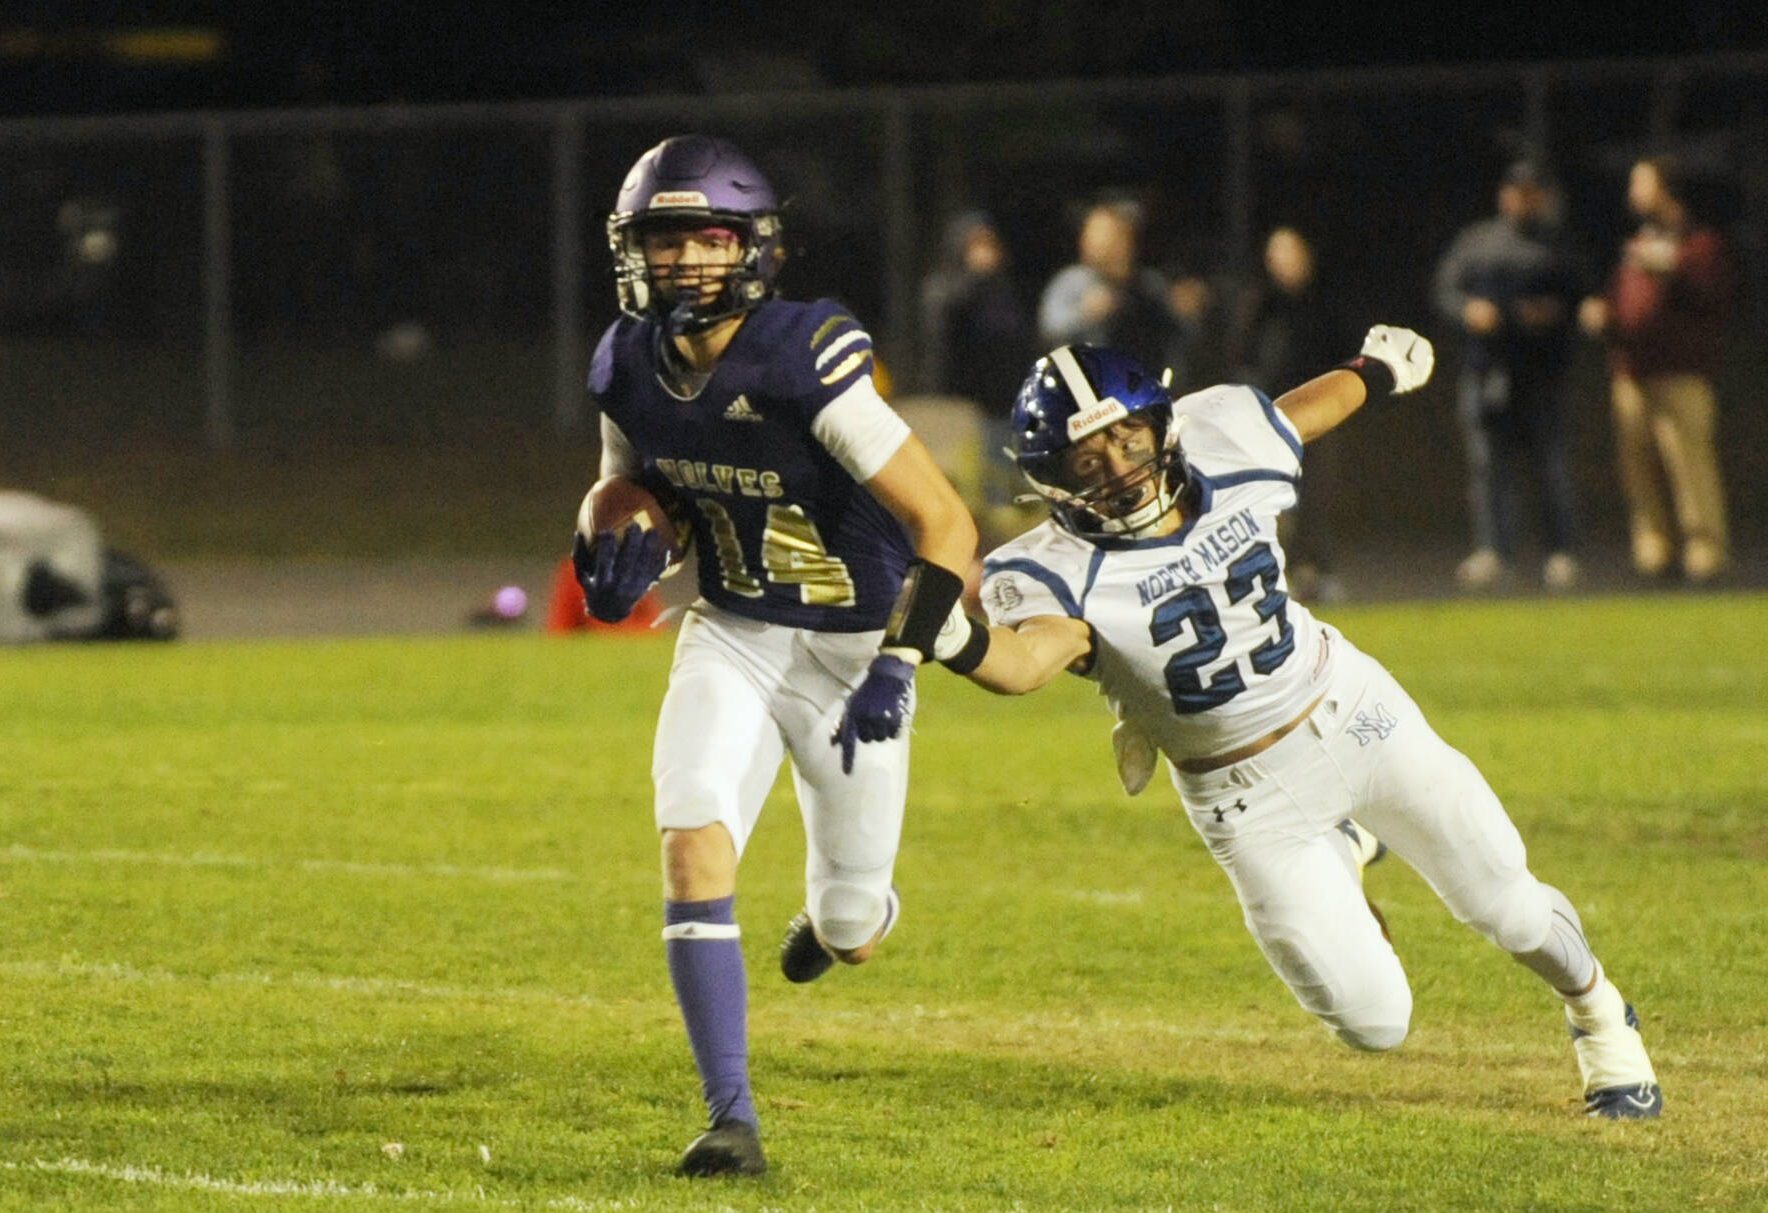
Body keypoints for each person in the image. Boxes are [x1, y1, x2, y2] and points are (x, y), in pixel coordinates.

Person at [880, 332, 1663, 1120]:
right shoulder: (1045, 569)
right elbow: (1024, 664)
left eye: (1126, 437)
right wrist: (954, 638)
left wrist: (1372, 371)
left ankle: (1599, 1015)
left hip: (1353, 712)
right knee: (1374, 1022)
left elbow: (1299, 414)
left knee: (1507, 905)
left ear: (1159, 422)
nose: (1118, 466)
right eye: (1088, 458)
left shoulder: (1224, 439)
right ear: (1054, 477)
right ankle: (1342, 851)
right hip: (1244, 793)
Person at [573, 135, 978, 1177]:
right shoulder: (625, 360)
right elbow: (627, 486)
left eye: (706, 239)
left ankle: (840, 921)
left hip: (852, 654)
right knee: (690, 837)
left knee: (853, 928)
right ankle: (731, 1118)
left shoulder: (806, 356)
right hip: (736, 629)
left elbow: (945, 523)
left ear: (752, 248)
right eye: (664, 241)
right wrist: (609, 552)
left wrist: (900, 663)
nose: (683, 264)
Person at [1432, 160, 1590, 593]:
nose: (1523, 199)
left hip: (1540, 374)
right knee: (1488, 468)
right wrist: (1468, 311)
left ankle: (1560, 554)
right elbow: (1445, 291)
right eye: (1516, 190)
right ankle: (1493, 553)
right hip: (1487, 371)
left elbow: (1582, 300)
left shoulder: (1558, 245)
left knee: (1550, 465)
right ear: (1504, 194)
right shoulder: (1478, 242)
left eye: (1532, 191)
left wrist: (1554, 314)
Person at [1579, 155, 1735, 583]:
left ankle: (1705, 553)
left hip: (1682, 373)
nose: (1633, 193)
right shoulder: (1638, 242)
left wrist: (1672, 267)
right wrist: (1605, 313)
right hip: (1632, 372)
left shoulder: (1698, 243)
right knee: (1639, 470)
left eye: (1640, 184)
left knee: (1688, 465)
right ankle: (1654, 551)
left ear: (1665, 188)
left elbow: (1714, 295)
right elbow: (1625, 299)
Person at [1224, 226, 1350, 601]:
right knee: (1273, 499)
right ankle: (1277, 574)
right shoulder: (1258, 302)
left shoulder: (1323, 301)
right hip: (1270, 416)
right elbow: (1240, 354)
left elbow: (1343, 352)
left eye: (1292, 253)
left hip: (1317, 414)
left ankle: (1319, 571)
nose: (1286, 262)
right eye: (1278, 253)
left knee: (1316, 496)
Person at [917, 210, 1035, 530]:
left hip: (1005, 400)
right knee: (970, 482)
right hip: (962, 404)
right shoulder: (946, 285)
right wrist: (974, 278)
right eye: (975, 244)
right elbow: (945, 330)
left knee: (1003, 480)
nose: (986, 252)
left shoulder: (1004, 290)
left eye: (989, 244)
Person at [1038, 199, 1192, 374]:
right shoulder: (1073, 281)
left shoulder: (1148, 284)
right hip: (1087, 382)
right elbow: (1050, 328)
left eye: (1117, 236)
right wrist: (1086, 312)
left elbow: (1175, 334)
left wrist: (1185, 312)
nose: (1107, 246)